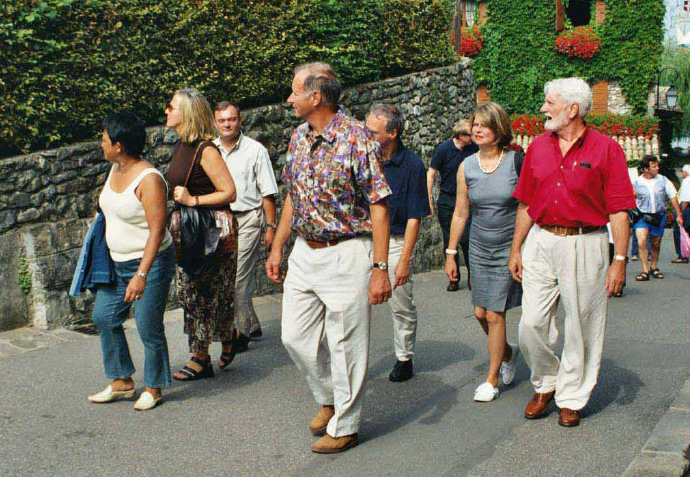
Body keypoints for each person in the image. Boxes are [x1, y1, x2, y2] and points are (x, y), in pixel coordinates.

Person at [266, 62, 392, 454]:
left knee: (345, 343)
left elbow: (379, 205)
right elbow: (292, 195)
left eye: (294, 93)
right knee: (294, 337)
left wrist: (380, 268)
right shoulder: (298, 137)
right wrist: (278, 246)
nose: (289, 99)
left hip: (347, 252)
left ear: (315, 96)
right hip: (305, 251)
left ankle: (346, 425)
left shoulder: (358, 138)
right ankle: (329, 398)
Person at [508, 77, 635, 427]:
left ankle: (572, 396)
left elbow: (619, 210)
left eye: (549, 103)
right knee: (530, 323)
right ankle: (546, 382)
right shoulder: (537, 146)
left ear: (572, 109)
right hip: (541, 240)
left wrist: (619, 262)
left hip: (587, 241)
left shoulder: (606, 149)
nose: (543, 109)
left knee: (582, 324)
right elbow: (526, 204)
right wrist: (516, 248)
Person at [88, 112, 175, 411]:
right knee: (103, 316)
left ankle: (154, 386)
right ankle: (122, 381)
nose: (100, 143)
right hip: (115, 262)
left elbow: (157, 230)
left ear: (119, 145)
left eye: (103, 139)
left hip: (149, 263)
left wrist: (141, 274)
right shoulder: (115, 169)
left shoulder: (149, 179)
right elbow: (109, 207)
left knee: (148, 325)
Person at [444, 102, 522, 403]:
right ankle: (509, 353)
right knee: (479, 312)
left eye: (484, 124)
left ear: (498, 128)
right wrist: (451, 253)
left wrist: (520, 248)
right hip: (478, 247)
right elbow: (461, 213)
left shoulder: (516, 161)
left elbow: (526, 207)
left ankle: (491, 379)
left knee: (494, 313)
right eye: (474, 124)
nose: (476, 129)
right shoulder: (467, 166)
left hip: (507, 246)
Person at [165, 89, 239, 380]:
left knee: (207, 294)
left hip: (211, 233)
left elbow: (229, 191)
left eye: (171, 107)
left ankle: (201, 356)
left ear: (187, 113)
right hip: (189, 232)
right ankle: (224, 336)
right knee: (190, 293)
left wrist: (192, 200)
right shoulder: (182, 145)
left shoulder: (206, 150)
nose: (166, 112)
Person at [365, 104, 430, 383]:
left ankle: (404, 357)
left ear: (392, 133)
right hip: (363, 240)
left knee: (401, 303)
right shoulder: (364, 158)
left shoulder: (413, 165)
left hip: (396, 240)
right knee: (352, 304)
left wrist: (404, 259)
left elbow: (416, 215)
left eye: (373, 131)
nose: (366, 136)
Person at [213, 102, 279, 351]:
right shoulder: (210, 150)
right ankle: (252, 324)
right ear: (215, 123)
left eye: (231, 119)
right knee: (227, 274)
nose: (227, 124)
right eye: (222, 120)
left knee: (238, 277)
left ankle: (240, 334)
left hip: (248, 219)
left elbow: (268, 192)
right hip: (220, 221)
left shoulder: (255, 150)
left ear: (240, 120)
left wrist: (270, 227)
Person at [427, 120, 478, 292]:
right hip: (447, 200)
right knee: (450, 240)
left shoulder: (473, 149)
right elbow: (431, 173)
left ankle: (473, 275)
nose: (472, 137)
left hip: (468, 199)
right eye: (469, 135)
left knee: (467, 239)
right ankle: (454, 278)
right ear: (460, 135)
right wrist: (428, 198)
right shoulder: (443, 150)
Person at [631, 155, 683, 281]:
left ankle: (654, 267)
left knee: (655, 243)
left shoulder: (663, 180)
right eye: (654, 166)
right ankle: (645, 270)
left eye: (657, 165)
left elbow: (672, 196)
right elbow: (630, 199)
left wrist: (679, 214)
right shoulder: (637, 182)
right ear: (645, 169)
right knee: (642, 240)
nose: (657, 168)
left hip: (658, 216)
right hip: (642, 217)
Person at [671, 164, 690, 263]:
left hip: (685, 208)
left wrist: (680, 213)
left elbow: (686, 199)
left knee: (680, 232)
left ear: (685, 172)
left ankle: (682, 255)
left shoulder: (687, 181)